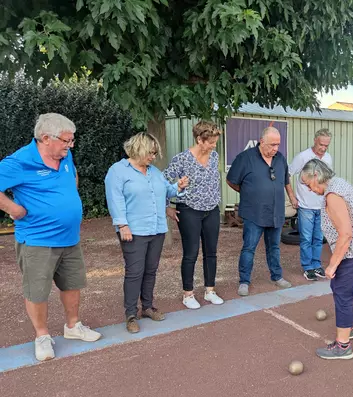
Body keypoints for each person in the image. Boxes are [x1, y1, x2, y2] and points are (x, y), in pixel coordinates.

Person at [0, 113, 101, 362]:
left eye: (72, 141)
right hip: (37, 240)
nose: (70, 145)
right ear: (46, 138)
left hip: (70, 237)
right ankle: (42, 335)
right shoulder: (20, 161)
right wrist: (12, 208)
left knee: (73, 284)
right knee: (37, 291)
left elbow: (72, 176)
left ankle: (73, 326)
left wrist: (68, 200)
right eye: (66, 141)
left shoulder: (65, 156)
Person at [105, 132, 189, 333]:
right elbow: (114, 198)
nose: (153, 157)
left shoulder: (155, 172)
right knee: (135, 272)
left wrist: (177, 187)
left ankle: (148, 307)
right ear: (139, 149)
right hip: (133, 231)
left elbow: (166, 191)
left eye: (155, 153)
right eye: (151, 153)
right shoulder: (118, 171)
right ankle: (131, 314)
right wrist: (122, 225)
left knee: (151, 270)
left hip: (157, 228)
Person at [300, 159, 353, 360]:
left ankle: (343, 346)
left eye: (308, 184)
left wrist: (332, 264)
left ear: (316, 177)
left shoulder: (333, 195)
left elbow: (345, 234)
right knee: (340, 286)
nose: (309, 189)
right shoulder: (338, 183)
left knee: (342, 292)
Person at [226, 127, 295, 296]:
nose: (276, 149)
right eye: (272, 145)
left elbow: (286, 180)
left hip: (276, 211)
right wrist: (248, 192)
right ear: (261, 141)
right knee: (249, 247)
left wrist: (292, 197)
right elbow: (231, 180)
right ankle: (244, 281)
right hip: (253, 212)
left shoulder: (280, 159)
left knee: (274, 247)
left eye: (278, 145)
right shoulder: (245, 158)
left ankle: (277, 276)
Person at [164, 121, 224, 309]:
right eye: (211, 142)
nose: (214, 146)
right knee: (191, 252)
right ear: (199, 139)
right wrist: (168, 206)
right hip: (189, 209)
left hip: (212, 209)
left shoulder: (214, 156)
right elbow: (162, 181)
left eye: (215, 142)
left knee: (211, 251)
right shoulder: (181, 159)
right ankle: (188, 294)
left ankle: (210, 290)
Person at [288, 128, 333, 281]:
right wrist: (292, 197)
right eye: (321, 144)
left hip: (321, 206)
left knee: (318, 238)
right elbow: (287, 176)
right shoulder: (303, 157)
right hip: (305, 206)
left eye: (326, 145)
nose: (323, 148)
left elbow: (328, 181)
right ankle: (307, 267)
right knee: (306, 238)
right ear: (315, 141)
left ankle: (316, 264)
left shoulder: (328, 158)